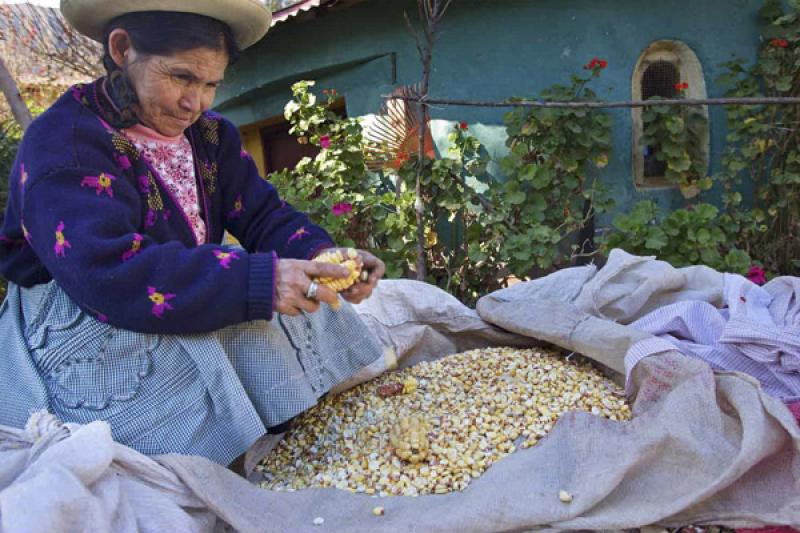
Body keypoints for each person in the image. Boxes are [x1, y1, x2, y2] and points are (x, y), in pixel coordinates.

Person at [0, 0, 386, 467]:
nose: (195, 103)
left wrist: (326, 255)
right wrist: (257, 282)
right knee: (234, 303)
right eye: (181, 77)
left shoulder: (210, 135)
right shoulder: (64, 142)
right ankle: (214, 450)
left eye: (210, 85)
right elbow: (104, 270)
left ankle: (276, 420)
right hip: (88, 308)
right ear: (122, 49)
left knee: (280, 291)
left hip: (172, 279)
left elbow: (261, 215)